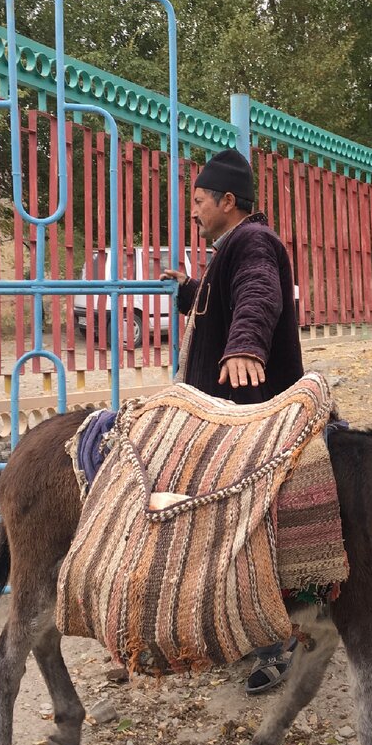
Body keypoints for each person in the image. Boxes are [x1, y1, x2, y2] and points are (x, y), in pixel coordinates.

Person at [160, 147, 303, 693]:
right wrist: (189, 290)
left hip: (250, 415)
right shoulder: (231, 248)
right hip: (229, 414)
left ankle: (276, 637)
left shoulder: (254, 242)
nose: (192, 211)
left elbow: (258, 293)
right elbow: (223, 296)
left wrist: (245, 345)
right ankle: (246, 626)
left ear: (226, 200)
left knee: (251, 525)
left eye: (197, 201)